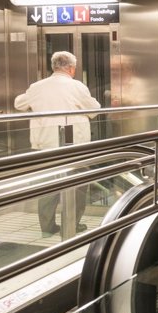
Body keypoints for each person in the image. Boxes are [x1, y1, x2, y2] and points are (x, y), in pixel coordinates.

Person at [14, 50, 101, 236]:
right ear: (70, 68)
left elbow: (19, 104)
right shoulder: (76, 86)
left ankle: (47, 227)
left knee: (48, 184)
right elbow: (94, 110)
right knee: (78, 185)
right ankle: (72, 224)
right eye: (74, 68)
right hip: (74, 144)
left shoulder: (37, 87)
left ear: (53, 67)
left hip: (45, 143)